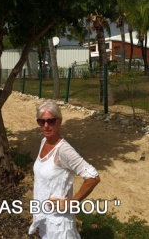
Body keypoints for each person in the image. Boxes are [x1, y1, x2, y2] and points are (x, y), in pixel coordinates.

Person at [29, 100, 101, 238]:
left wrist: (72, 202)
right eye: (41, 121)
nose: (46, 126)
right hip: (44, 216)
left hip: (58, 224)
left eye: (51, 121)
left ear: (59, 122)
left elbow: (93, 177)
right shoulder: (44, 141)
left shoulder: (64, 150)